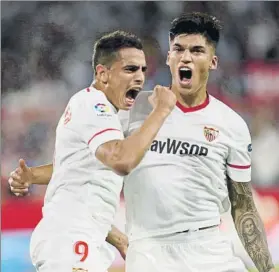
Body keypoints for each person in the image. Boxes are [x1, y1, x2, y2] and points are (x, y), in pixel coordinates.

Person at [9, 13, 276, 272]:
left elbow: (242, 206)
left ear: (213, 61)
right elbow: (86, 163)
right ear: (168, 57)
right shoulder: (130, 111)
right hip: (150, 251)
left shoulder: (231, 125)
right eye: (178, 49)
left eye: (196, 50)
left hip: (210, 246)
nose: (186, 57)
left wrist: (266, 267)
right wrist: (34, 175)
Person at [9, 30, 176, 272]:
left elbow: (76, 169)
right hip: (71, 239)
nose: (140, 77)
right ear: (103, 74)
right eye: (130, 69)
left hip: (79, 237)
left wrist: (33, 176)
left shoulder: (103, 112)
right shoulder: (93, 106)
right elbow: (121, 160)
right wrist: (160, 111)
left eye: (142, 69)